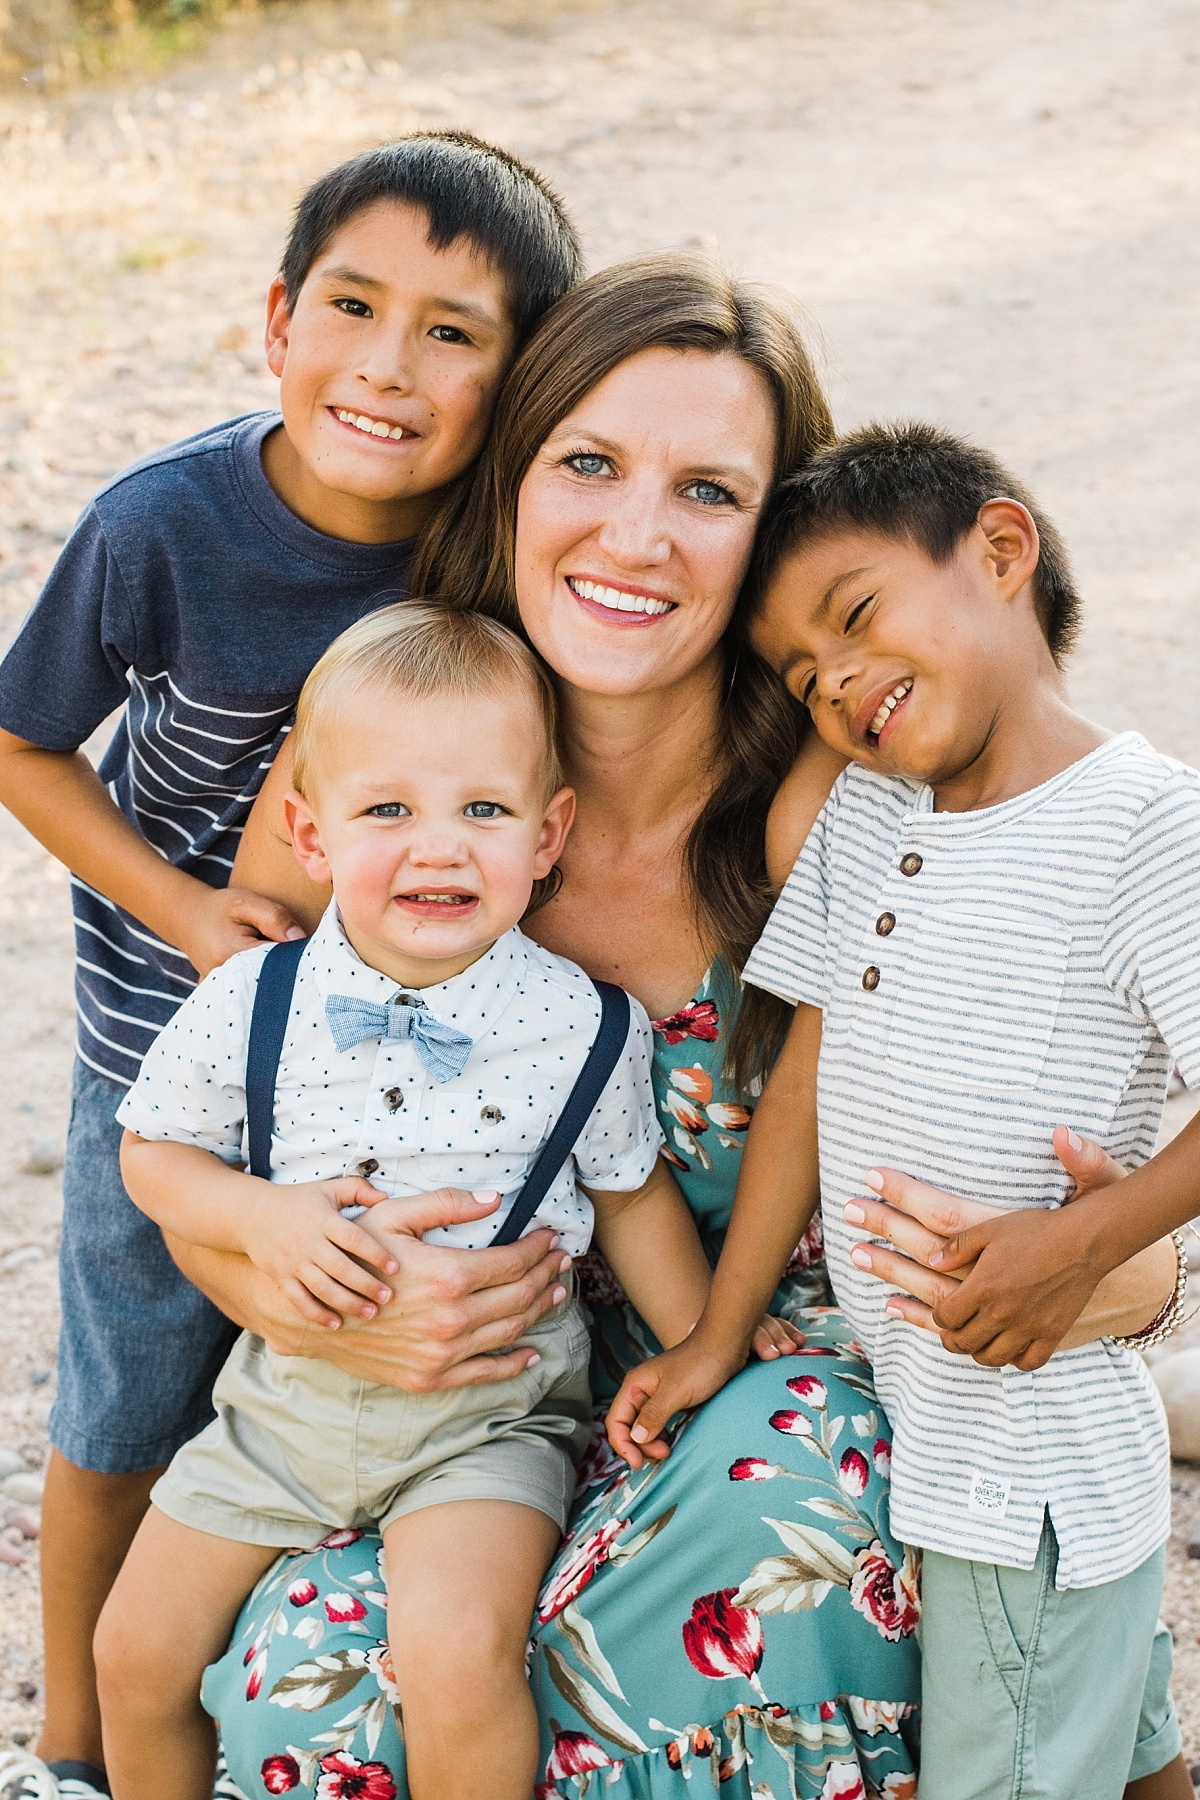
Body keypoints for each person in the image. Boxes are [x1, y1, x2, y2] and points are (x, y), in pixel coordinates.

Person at [199, 263, 1174, 1800]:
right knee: (308, 1690)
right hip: (477, 1411)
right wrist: (317, 1301)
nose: (637, 537)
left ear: (771, 539)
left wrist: (1128, 1272)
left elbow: (1086, 1158)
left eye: (709, 489)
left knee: (754, 1551)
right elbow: (215, 1123)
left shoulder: (854, 798)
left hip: (800, 1374)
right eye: (588, 463)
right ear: (514, 475)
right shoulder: (387, 762)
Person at [0, 133, 581, 1800]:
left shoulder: (483, 552)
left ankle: (271, 1649)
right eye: (354, 306)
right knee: (124, 1395)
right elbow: (24, 745)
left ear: (513, 376)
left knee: (324, 1333)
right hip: (158, 1046)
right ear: (277, 320)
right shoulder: (161, 527)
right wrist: (185, 920)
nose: (390, 366)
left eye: (455, 331)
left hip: (386, 1052)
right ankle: (67, 1752)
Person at [96, 603, 802, 1800]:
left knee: (458, 1655)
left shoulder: (583, 1024)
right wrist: (263, 1218)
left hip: (490, 1419)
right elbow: (153, 1157)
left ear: (547, 833)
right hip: (282, 1412)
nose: (438, 848)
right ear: (308, 835)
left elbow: (630, 1202)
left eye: (482, 810)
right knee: (135, 1651)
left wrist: (709, 1339)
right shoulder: (251, 998)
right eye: (388, 811)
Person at [610, 422, 1197, 1799]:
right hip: (927, 1423)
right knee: (1124, 1751)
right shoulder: (874, 814)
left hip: (1021, 1451)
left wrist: (1088, 1239)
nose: (840, 683)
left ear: (1001, 550)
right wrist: (709, 1331)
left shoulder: (1144, 825)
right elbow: (810, 1069)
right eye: (804, 674)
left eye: (859, 616)